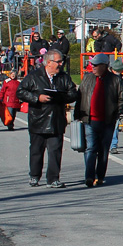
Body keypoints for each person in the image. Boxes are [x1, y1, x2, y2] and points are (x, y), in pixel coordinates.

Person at [16, 49, 78, 188]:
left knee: (55, 151)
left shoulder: (63, 77)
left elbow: (73, 93)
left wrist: (60, 97)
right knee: (36, 150)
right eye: (58, 62)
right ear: (49, 62)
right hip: (38, 120)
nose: (61, 64)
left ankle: (53, 179)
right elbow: (20, 92)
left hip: (56, 120)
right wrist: (37, 98)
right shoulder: (34, 76)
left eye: (61, 61)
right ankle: (34, 176)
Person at [74, 54, 123, 188]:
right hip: (89, 120)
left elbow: (121, 98)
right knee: (90, 148)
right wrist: (77, 115)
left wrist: (118, 113)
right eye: (92, 65)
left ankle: (100, 176)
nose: (93, 67)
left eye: (96, 65)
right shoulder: (87, 78)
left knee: (103, 149)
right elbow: (80, 96)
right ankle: (89, 176)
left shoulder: (115, 80)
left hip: (107, 121)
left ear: (104, 66)